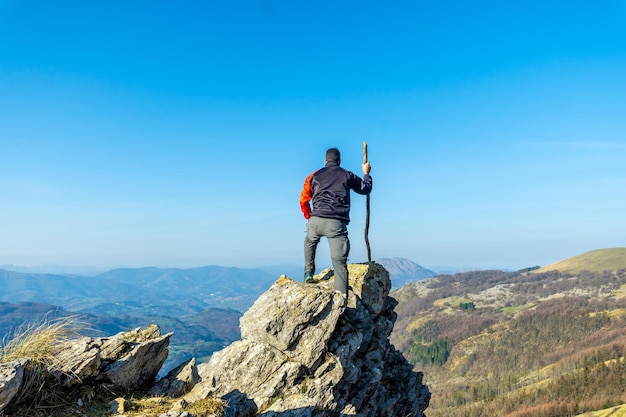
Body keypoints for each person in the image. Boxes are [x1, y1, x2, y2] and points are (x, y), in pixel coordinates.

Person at [299, 147, 373, 297]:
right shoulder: (346, 174)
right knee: (339, 265)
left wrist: (309, 217)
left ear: (325, 161)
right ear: (339, 161)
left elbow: (303, 199)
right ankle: (341, 300)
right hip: (336, 223)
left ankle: (308, 273)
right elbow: (366, 189)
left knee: (309, 241)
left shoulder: (314, 176)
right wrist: (366, 173)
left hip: (316, 219)